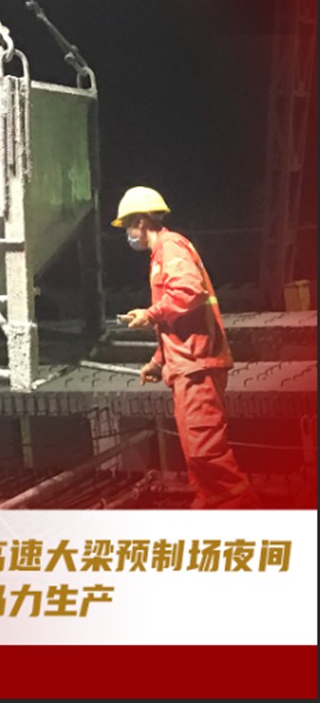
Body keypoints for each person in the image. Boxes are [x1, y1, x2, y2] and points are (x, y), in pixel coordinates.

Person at [113, 186, 260, 509]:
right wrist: (158, 361)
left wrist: (150, 314)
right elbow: (176, 323)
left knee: (206, 452)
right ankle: (212, 506)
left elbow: (188, 292)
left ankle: (244, 512)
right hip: (187, 366)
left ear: (141, 222)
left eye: (127, 227)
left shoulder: (171, 246)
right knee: (197, 453)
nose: (127, 235)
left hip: (198, 364)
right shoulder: (161, 254)